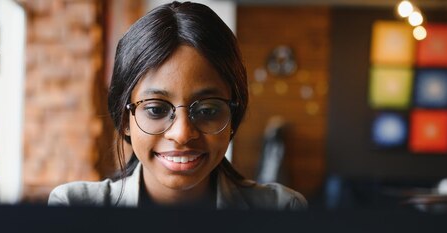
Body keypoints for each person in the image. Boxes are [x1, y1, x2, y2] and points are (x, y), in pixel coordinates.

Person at [49, 1, 307, 210]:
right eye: (156, 109)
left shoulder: (282, 211)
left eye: (207, 110)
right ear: (126, 119)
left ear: (233, 116)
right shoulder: (74, 209)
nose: (182, 134)